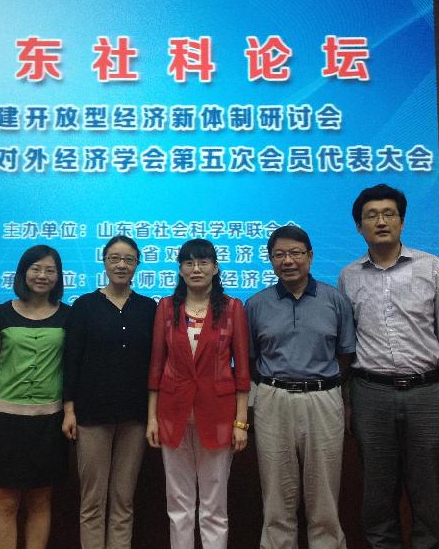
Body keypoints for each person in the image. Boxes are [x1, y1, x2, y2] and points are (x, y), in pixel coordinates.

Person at [338, 184, 439, 549]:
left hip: (426, 393)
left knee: (428, 494)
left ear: (402, 221)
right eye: (371, 216)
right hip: (370, 393)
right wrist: (347, 402)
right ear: (359, 226)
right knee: (377, 497)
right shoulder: (349, 276)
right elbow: (345, 346)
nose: (381, 221)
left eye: (388, 214)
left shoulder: (431, 267)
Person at [246, 225, 355, 549]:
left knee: (324, 497)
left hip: (323, 398)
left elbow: (346, 355)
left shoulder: (335, 300)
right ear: (270, 259)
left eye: (295, 253)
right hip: (273, 399)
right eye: (279, 254)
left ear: (310, 256)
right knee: (276, 497)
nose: (288, 261)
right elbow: (251, 359)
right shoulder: (256, 304)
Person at [146, 239, 250, 549]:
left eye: (203, 262)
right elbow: (156, 365)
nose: (196, 269)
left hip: (218, 416)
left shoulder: (232, 308)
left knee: (214, 505)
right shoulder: (167, 308)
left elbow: (242, 371)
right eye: (189, 263)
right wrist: (152, 417)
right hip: (171, 413)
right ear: (180, 269)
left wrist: (240, 422)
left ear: (215, 268)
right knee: (178, 504)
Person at [63, 235, 157, 549]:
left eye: (128, 259)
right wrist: (69, 410)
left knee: (123, 500)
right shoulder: (84, 306)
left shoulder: (149, 308)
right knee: (92, 501)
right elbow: (71, 361)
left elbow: (155, 364)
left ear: (137, 265)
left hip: (135, 416)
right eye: (114, 258)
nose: (121, 265)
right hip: (92, 415)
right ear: (104, 262)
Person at [0, 245, 70, 549]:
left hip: (49, 421)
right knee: (6, 501)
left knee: (40, 501)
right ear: (23, 273)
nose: (42, 275)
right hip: (4, 420)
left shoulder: (68, 316)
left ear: (58, 276)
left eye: (50, 270)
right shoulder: (0, 313)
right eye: (36, 268)